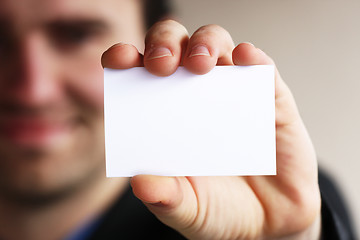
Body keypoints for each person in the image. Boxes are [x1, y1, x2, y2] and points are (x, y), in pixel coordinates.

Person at [0, 0, 356, 239]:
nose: (33, 90)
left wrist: (292, 238)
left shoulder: (261, 198)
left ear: (153, 49)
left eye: (76, 35)